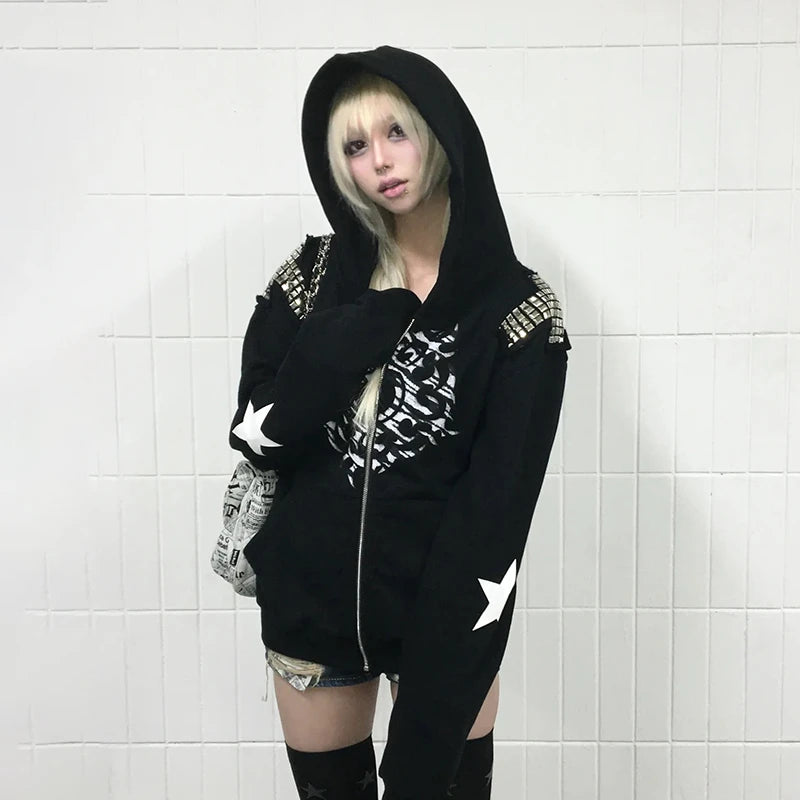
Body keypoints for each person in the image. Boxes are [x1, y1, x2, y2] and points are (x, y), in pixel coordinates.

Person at [228, 45, 571, 800]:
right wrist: (350, 336)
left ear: (439, 136)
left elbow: (497, 511)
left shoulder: (518, 313)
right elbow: (258, 432)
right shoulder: (313, 278)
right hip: (311, 619)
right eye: (355, 145)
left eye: (396, 133)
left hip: (444, 627)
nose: (379, 160)